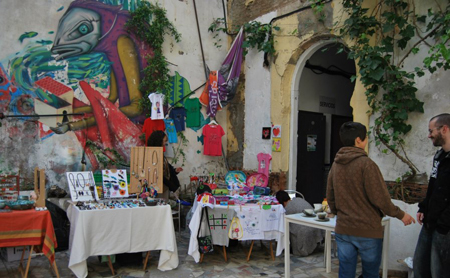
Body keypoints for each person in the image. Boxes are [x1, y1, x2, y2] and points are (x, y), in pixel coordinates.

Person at [326, 121, 415, 278]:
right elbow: (380, 198)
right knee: (370, 274)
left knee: (345, 273)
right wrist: (401, 215)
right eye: (365, 138)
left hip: (344, 229)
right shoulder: (367, 165)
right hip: (367, 230)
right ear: (358, 140)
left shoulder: (336, 164)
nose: (367, 141)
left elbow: (330, 196)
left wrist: (335, 212)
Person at [413, 113, 450, 277]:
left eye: (431, 131)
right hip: (430, 222)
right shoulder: (440, 156)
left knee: (439, 271)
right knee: (420, 266)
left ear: (444, 129)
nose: (429, 135)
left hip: (445, 228)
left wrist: (444, 223)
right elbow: (433, 185)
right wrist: (423, 207)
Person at [275, 190, 324, 256]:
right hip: (316, 227)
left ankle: (289, 247)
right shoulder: (298, 199)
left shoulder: (288, 208)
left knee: (287, 225)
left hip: (305, 230)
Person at [147, 130, 182, 199]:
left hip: (163, 187)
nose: (165, 143)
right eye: (164, 141)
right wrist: (172, 186)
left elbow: (166, 167)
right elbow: (158, 173)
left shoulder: (159, 153)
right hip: (158, 187)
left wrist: (174, 170)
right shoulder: (153, 154)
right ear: (158, 141)